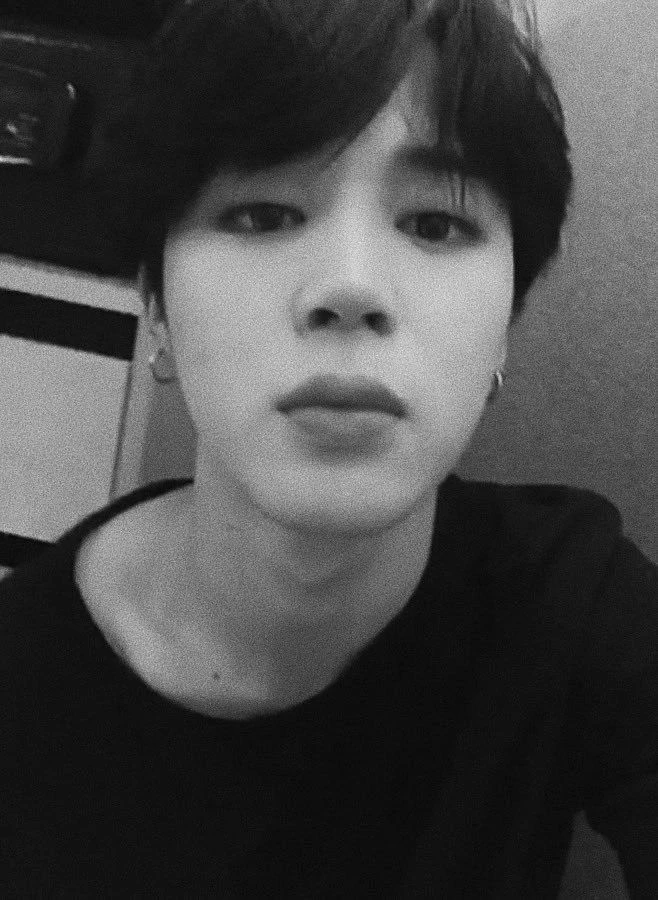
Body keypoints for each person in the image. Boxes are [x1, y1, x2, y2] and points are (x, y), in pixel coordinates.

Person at [2, 0, 656, 896]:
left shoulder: (572, 607)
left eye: (435, 224)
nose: (349, 288)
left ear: (504, 327)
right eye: (262, 214)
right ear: (155, 306)